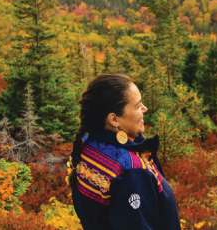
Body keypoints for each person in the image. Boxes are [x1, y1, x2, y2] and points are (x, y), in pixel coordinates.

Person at [69, 73, 181, 230]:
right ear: (114, 119)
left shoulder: (88, 145)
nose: (145, 109)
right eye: (137, 106)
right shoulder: (131, 172)